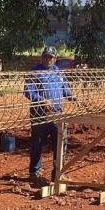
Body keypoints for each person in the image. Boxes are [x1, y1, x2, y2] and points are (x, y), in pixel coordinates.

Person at [23, 47, 75, 182]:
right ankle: (34, 172)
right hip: (39, 114)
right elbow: (28, 92)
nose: (48, 59)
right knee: (37, 142)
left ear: (55, 59)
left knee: (61, 142)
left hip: (57, 114)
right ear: (42, 57)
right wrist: (42, 100)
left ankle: (58, 172)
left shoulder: (59, 73)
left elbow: (66, 90)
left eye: (51, 57)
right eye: (45, 57)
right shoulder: (34, 72)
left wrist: (72, 97)